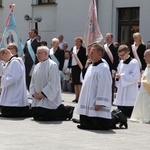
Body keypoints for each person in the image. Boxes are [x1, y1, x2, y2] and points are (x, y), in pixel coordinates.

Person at [30, 46, 74, 121]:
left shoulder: (52, 65)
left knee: (45, 115)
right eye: (37, 53)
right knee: (36, 115)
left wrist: (42, 94)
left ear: (46, 53)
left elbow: (53, 83)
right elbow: (32, 82)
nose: (37, 55)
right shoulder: (37, 66)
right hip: (37, 98)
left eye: (39, 53)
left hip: (47, 98)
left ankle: (66, 110)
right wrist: (34, 93)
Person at [76, 44, 112, 130]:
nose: (90, 54)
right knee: (85, 124)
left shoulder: (103, 68)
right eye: (89, 52)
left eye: (92, 53)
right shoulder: (91, 66)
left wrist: (99, 102)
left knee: (97, 124)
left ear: (100, 55)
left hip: (96, 104)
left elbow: (104, 87)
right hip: (88, 100)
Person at [0, 48, 31, 117]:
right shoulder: (10, 62)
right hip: (10, 89)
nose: (1, 59)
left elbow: (13, 77)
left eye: (1, 57)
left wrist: (2, 79)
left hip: (15, 91)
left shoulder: (15, 62)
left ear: (6, 53)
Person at [114, 45, 141, 118]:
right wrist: (117, 76)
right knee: (120, 111)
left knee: (128, 112)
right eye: (120, 55)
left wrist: (122, 76)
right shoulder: (121, 62)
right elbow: (119, 72)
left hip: (130, 89)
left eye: (122, 55)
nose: (121, 57)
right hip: (122, 89)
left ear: (128, 52)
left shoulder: (134, 62)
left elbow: (136, 76)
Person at [130, 49, 150, 123]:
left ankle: (147, 118)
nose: (144, 58)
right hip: (144, 89)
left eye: (145, 56)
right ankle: (144, 117)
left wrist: (144, 82)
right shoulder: (148, 66)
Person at [69, 37, 87, 103]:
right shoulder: (73, 49)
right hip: (74, 67)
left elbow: (84, 59)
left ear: (81, 42)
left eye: (78, 41)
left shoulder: (83, 49)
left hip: (80, 67)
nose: (76, 42)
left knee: (79, 83)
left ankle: (80, 98)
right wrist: (70, 67)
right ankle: (76, 97)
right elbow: (71, 59)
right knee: (75, 82)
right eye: (76, 41)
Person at [103, 33, 119, 102]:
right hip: (104, 68)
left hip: (111, 69)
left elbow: (116, 59)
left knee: (111, 84)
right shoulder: (104, 47)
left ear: (111, 38)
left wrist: (114, 69)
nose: (107, 38)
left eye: (108, 37)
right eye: (106, 37)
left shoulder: (115, 48)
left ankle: (110, 99)